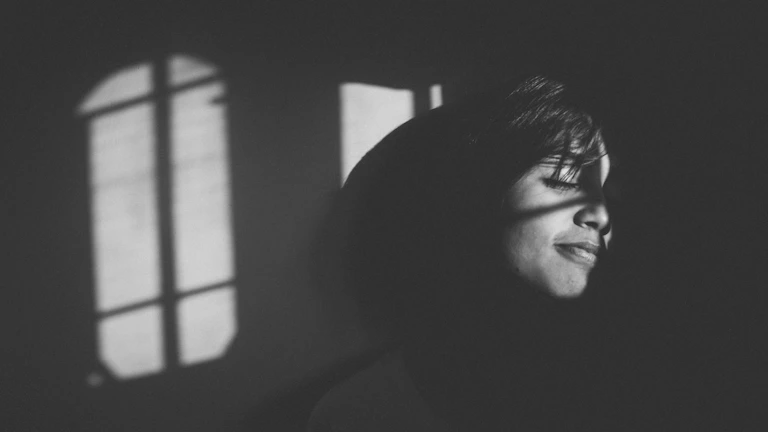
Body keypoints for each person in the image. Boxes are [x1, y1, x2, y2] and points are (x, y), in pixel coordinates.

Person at [308, 75, 618, 431]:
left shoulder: (640, 385)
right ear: (477, 195)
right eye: (564, 178)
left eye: (609, 192)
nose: (603, 215)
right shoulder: (362, 414)